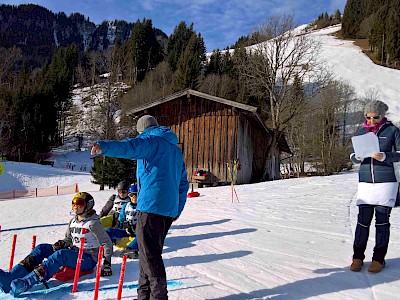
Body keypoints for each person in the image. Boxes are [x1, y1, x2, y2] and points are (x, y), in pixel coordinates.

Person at [91, 114, 189, 300]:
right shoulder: (174, 150)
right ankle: (143, 296)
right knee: (147, 255)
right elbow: (183, 183)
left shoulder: (151, 141)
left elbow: (130, 147)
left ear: (142, 130)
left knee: (151, 258)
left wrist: (104, 146)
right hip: (167, 210)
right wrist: (177, 209)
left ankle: (159, 297)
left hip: (151, 207)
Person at [0, 192, 113, 296]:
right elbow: (69, 239)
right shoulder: (73, 221)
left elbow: (106, 242)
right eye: (73, 203)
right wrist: (62, 243)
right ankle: (10, 278)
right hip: (74, 252)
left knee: (61, 255)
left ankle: (27, 282)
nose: (75, 206)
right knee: (42, 248)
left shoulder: (93, 223)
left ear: (88, 205)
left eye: (79, 204)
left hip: (88, 258)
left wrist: (107, 263)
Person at [350, 100, 400, 273]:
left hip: (386, 182)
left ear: (382, 115)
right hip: (365, 182)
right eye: (368, 117)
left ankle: (379, 259)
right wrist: (357, 157)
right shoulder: (361, 131)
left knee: (382, 222)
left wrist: (385, 156)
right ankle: (357, 257)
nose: (370, 121)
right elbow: (352, 155)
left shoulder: (393, 131)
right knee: (362, 222)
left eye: (375, 117)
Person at [105, 184, 139, 259]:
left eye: (136, 195)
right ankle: (106, 249)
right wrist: (120, 229)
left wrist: (135, 228)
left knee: (142, 235)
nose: (134, 198)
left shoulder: (143, 207)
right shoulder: (126, 206)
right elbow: (121, 220)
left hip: (139, 232)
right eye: (132, 195)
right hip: (128, 230)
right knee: (107, 231)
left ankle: (131, 249)